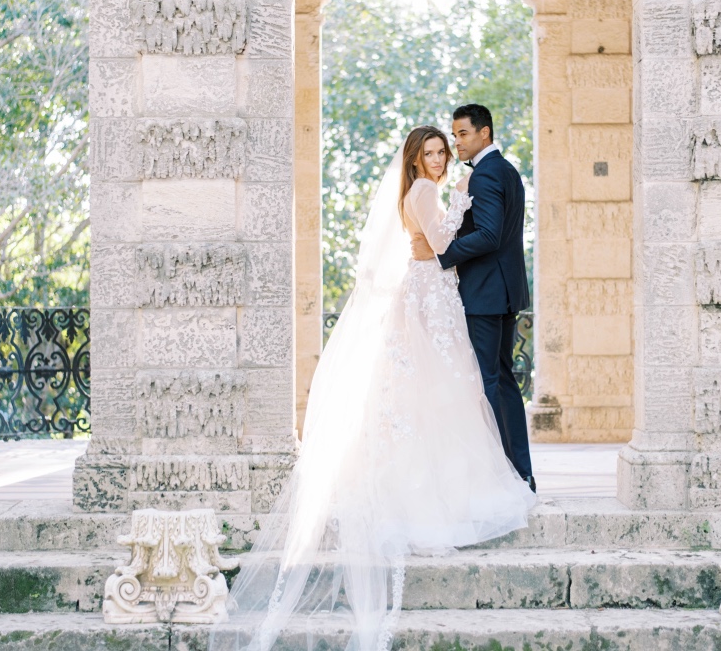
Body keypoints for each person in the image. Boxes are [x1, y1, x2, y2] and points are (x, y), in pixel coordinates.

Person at [211, 125, 536, 651]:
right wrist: (459, 202)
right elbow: (443, 243)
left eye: (441, 152)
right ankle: (442, 489)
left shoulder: (416, 191)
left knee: (441, 388)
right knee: (449, 386)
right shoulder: (426, 191)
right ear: (414, 160)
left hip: (430, 287)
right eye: (429, 153)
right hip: (431, 287)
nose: (437, 159)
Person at [410, 104, 535, 492]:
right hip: (505, 290)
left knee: (484, 385)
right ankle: (520, 473)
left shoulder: (484, 176)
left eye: (462, 134)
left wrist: (442, 255)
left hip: (484, 294)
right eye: (454, 135)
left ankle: (501, 476)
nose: (455, 143)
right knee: (502, 384)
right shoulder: (508, 171)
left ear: (484, 133)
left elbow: (490, 235)